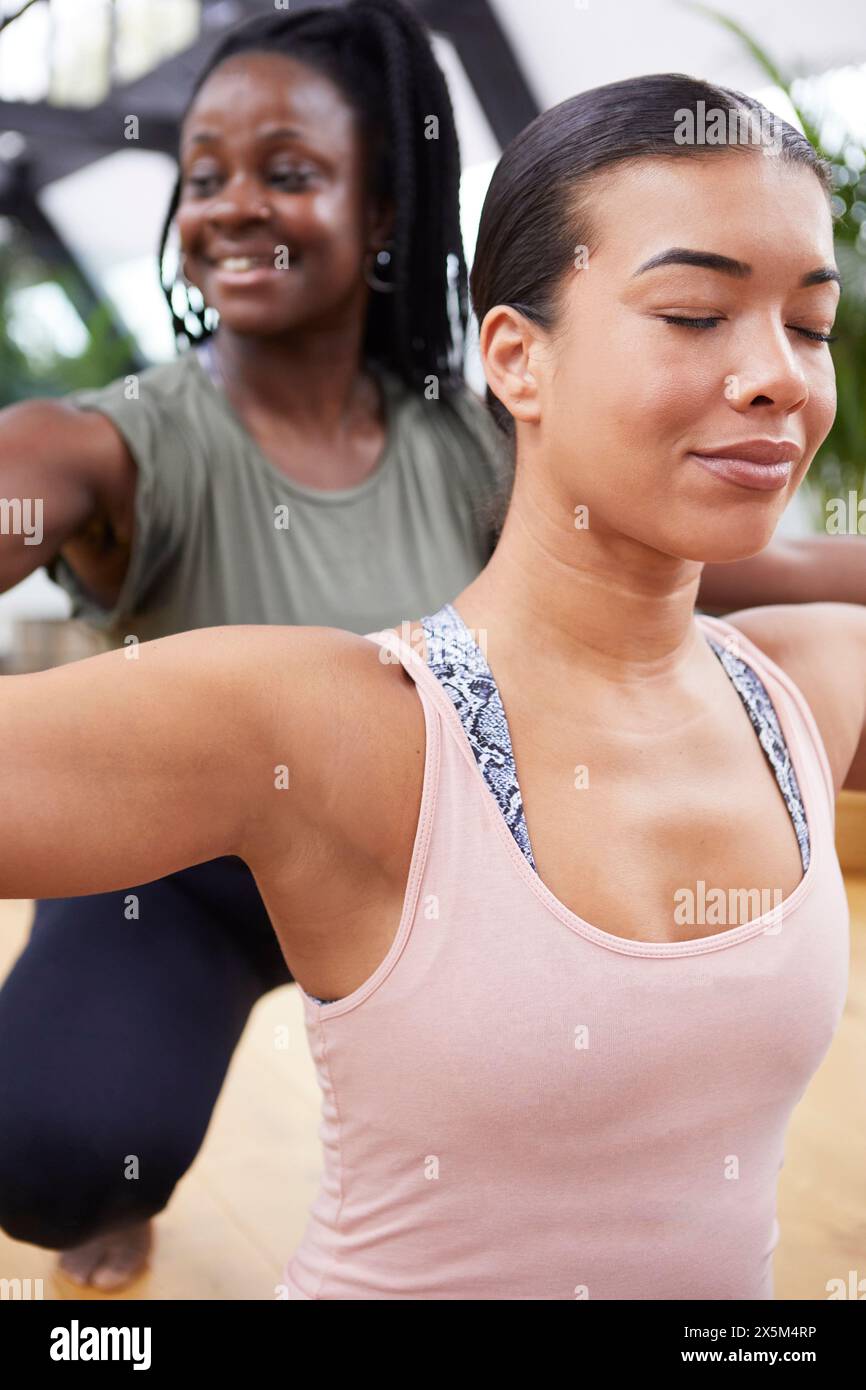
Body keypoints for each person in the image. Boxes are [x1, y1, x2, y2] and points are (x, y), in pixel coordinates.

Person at [2, 70, 863, 1301]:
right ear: (517, 356)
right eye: (691, 313)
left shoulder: (806, 678)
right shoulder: (303, 692)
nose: (780, 374)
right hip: (241, 839)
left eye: (812, 325)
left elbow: (765, 556)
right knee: (60, 1142)